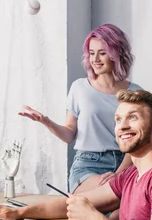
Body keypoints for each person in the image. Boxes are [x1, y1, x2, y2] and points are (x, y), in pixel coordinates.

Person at [0, 90, 152, 220]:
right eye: (118, 119)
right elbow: (68, 204)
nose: (122, 126)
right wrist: (18, 212)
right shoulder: (130, 176)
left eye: (132, 117)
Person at [18, 24, 142, 194]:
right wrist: (45, 121)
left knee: (121, 210)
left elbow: (135, 142)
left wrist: (119, 174)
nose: (95, 59)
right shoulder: (80, 88)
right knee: (111, 195)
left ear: (117, 53)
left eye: (102, 53)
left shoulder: (136, 93)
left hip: (126, 164)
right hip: (88, 165)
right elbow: (69, 134)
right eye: (92, 53)